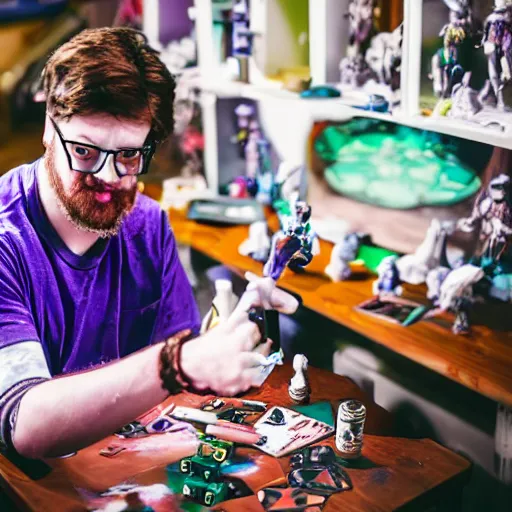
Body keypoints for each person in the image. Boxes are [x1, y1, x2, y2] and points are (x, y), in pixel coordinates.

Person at [0, 27, 298, 460]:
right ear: (49, 127)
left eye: (127, 155)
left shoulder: (147, 223)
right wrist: (177, 363)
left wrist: (231, 332)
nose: (106, 177)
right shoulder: (7, 243)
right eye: (84, 151)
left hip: (122, 470)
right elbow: (23, 425)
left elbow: (176, 380)